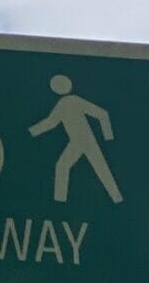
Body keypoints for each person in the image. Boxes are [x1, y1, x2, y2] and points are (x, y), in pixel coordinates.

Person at [28, 75, 122, 204]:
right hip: (77, 141)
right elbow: (52, 122)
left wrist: (108, 137)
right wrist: (32, 132)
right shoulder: (63, 103)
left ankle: (117, 199)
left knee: (100, 168)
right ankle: (59, 202)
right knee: (63, 166)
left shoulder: (73, 100)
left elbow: (102, 114)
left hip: (86, 140)